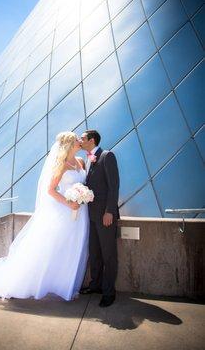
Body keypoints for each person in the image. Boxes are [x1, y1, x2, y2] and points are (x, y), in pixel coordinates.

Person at [0, 132, 89, 302]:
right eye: (76, 140)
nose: (79, 142)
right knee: (52, 248)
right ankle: (35, 283)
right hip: (66, 211)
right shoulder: (62, 165)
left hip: (81, 214)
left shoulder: (80, 162)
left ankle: (65, 284)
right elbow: (50, 190)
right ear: (69, 145)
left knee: (73, 247)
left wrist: (83, 195)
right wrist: (69, 202)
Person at [80, 130, 120, 308]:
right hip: (91, 216)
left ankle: (109, 293)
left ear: (92, 140)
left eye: (82, 138)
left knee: (108, 254)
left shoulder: (106, 156)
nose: (80, 140)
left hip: (105, 216)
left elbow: (114, 186)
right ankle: (95, 285)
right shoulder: (87, 159)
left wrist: (109, 211)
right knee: (94, 253)